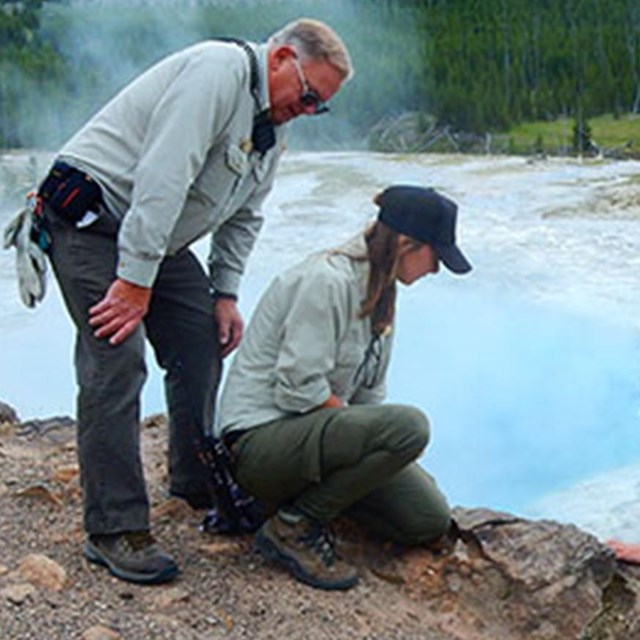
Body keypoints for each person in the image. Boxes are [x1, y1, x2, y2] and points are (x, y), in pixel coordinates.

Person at [37, 18, 353, 585]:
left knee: (199, 340)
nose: (307, 111)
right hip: (89, 218)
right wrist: (134, 282)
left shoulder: (271, 124)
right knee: (117, 353)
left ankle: (194, 479)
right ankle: (115, 529)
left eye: (319, 107)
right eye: (308, 96)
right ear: (280, 58)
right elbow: (163, 175)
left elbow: (245, 215)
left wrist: (225, 293)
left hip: (155, 235)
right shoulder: (217, 72)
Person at [216, 185, 473, 591]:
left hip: (313, 440)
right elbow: (298, 390)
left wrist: (380, 451)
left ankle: (307, 501)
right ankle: (293, 526)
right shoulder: (326, 280)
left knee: (427, 519)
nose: (436, 269)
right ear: (407, 244)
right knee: (410, 426)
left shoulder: (381, 291)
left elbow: (370, 397)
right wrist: (379, 440)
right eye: (435, 257)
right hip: (260, 443)